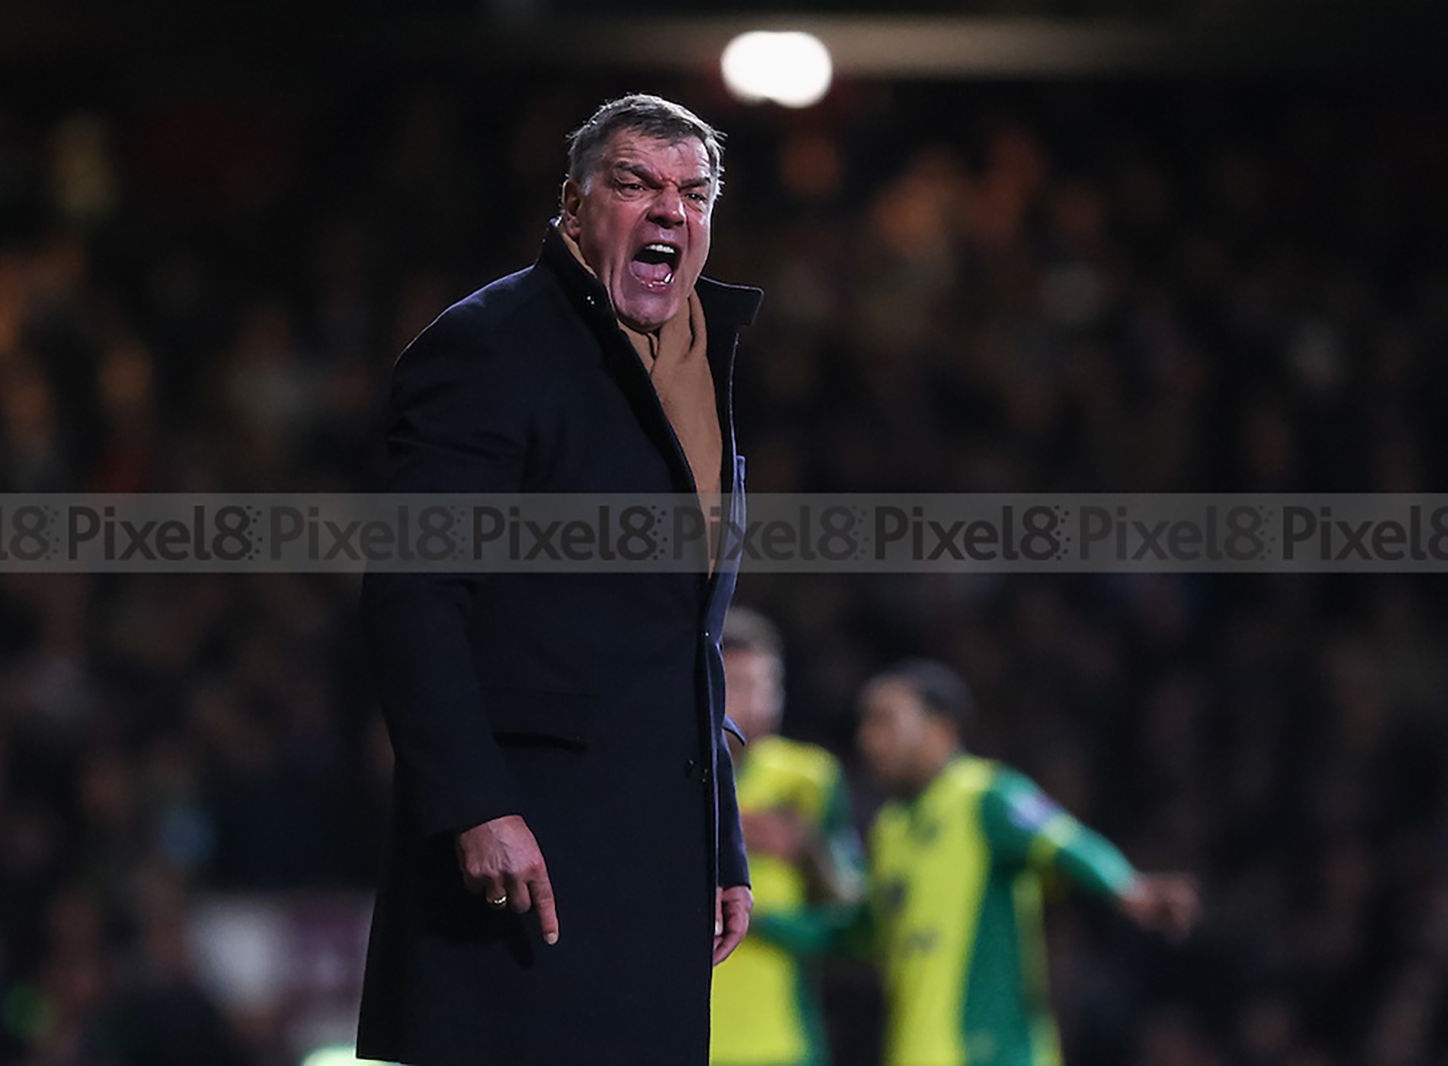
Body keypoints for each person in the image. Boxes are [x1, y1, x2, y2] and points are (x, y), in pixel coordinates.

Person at [356, 94, 762, 1065]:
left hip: (652, 859)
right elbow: (416, 592)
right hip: (524, 856)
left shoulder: (698, 360)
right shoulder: (491, 344)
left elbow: (683, 640)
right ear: (573, 209)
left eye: (693, 192)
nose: (670, 208)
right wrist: (472, 805)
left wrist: (719, 842)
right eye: (636, 184)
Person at [755, 660, 1200, 1066]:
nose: (868, 739)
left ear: (941, 730)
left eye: (886, 721)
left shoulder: (984, 797)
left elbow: (1066, 842)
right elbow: (862, 932)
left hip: (992, 1054)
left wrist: (1129, 889)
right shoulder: (890, 830)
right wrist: (758, 921)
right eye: (865, 724)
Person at [710, 608, 863, 1066]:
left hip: (783, 1044)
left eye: (769, 686)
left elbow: (852, 921)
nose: (758, 705)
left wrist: (809, 851)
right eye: (739, 685)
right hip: (685, 1038)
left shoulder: (809, 778)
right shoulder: (668, 777)